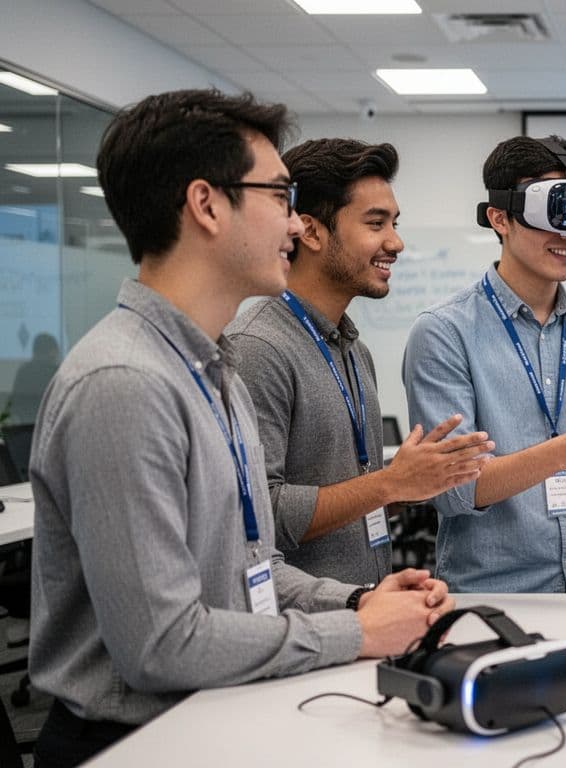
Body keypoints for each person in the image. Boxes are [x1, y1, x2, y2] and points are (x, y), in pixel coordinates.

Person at [27, 90, 454, 767]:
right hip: (134, 743)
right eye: (281, 196)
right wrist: (356, 632)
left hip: (216, 714)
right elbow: (162, 646)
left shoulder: (211, 367)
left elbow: (248, 573)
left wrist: (361, 597)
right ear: (206, 204)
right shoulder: (126, 384)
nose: (295, 225)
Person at [403, 135, 566, 592]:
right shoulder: (444, 333)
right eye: (553, 215)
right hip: (494, 594)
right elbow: (453, 490)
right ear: (499, 217)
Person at [227, 138, 493, 585]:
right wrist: (390, 483)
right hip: (301, 631)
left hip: (362, 611)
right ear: (310, 232)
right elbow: (256, 513)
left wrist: (416, 482)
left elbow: (351, 497)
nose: (397, 242)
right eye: (376, 223)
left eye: (394, 223)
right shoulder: (258, 347)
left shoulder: (353, 350)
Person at [6, 332, 60, 423]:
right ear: (52, 352)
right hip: (48, 427)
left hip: (24, 427)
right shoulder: (56, 373)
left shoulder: (23, 371)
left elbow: (14, 404)